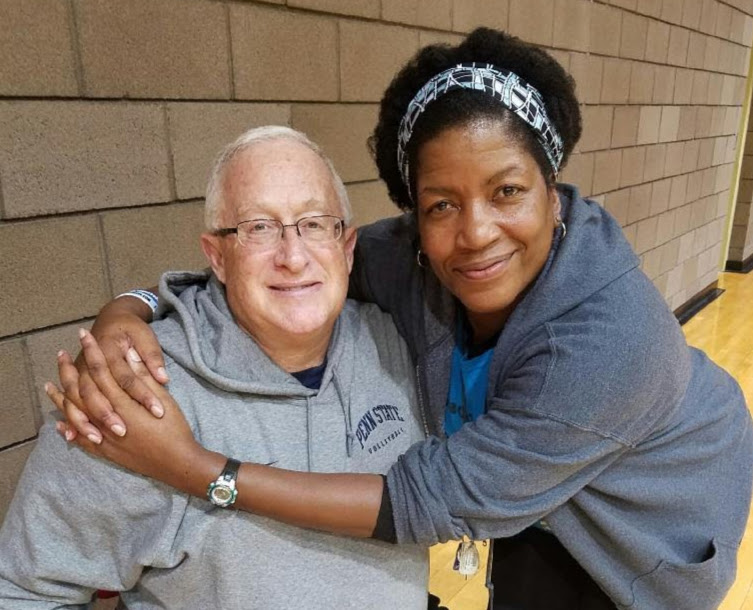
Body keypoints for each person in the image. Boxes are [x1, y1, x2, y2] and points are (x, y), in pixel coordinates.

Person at [50, 29, 753, 610]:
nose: (475, 232)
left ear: (555, 191)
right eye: (442, 203)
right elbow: (280, 267)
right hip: (525, 492)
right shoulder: (405, 256)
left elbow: (435, 501)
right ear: (415, 215)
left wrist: (199, 470)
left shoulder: (611, 343)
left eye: (506, 190)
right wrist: (130, 313)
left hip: (640, 518)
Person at [0, 126, 430, 608]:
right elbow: (23, 592)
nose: (293, 256)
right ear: (217, 257)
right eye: (259, 228)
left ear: (347, 248)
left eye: (313, 223)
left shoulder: (402, 344)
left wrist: (130, 302)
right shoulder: (132, 389)